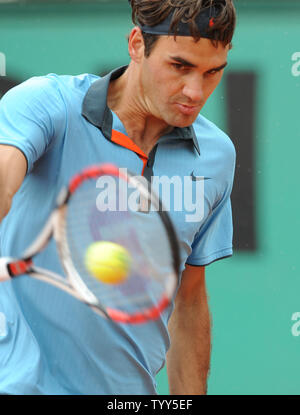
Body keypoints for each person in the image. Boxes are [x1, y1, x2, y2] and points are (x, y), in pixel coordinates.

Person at [0, 0, 236, 395]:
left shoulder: (216, 154)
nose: (195, 92)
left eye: (212, 73)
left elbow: (189, 297)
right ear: (138, 45)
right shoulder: (48, 104)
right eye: (180, 67)